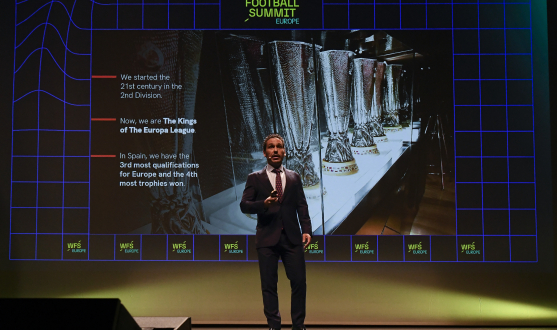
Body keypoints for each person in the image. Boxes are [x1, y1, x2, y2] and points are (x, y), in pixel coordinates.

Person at [240, 133, 312, 330]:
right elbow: (244, 205)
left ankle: (298, 325)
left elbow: (301, 206)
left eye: (279, 146)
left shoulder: (294, 177)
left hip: (292, 239)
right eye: (271, 147)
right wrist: (263, 204)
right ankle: (274, 326)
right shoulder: (254, 178)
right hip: (266, 238)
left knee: (299, 282)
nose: (275, 150)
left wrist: (306, 229)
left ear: (284, 151)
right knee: (269, 286)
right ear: (265, 153)